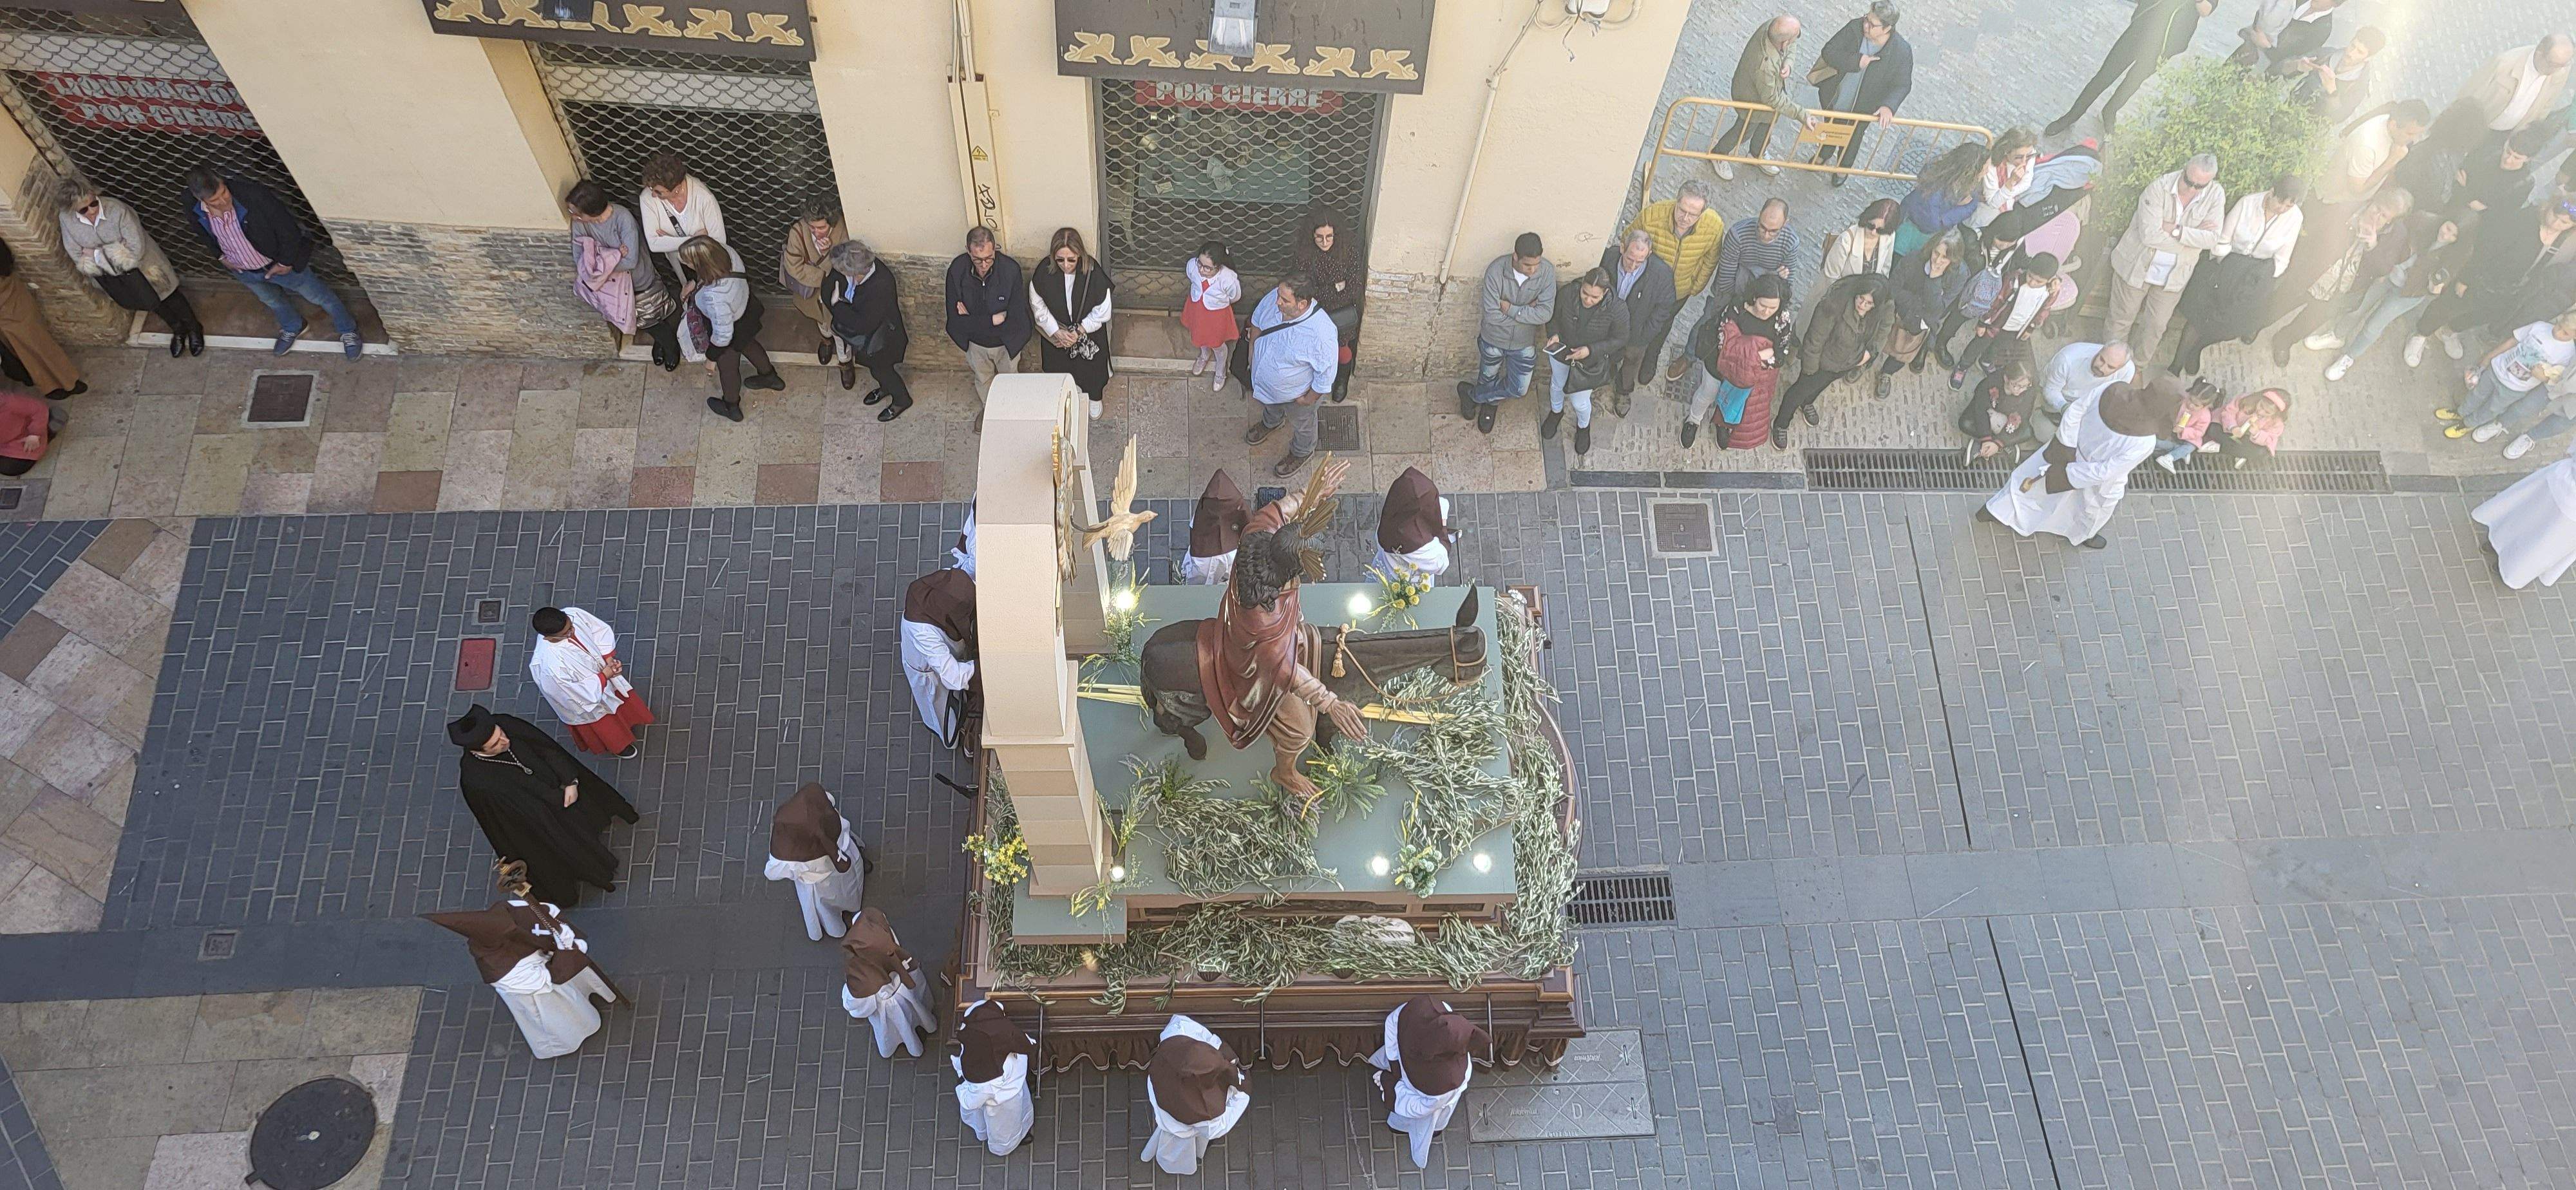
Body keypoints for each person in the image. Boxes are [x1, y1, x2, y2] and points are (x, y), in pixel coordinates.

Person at [1199, 457, 1372, 804]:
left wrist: (1311, 492)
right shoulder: (1264, 619)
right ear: (1290, 575)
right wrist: (1331, 703)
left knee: (1310, 639)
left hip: (1270, 638)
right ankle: (1285, 770)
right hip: (1251, 662)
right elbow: (1287, 671)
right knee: (1301, 730)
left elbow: (1282, 509)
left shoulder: (1259, 535)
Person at [446, 704, 638, 908]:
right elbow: (507, 820)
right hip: (543, 820)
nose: (505, 741)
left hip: (563, 790)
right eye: (495, 745)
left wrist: (571, 781)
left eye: (501, 734)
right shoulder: (476, 781)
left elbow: (547, 750)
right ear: (478, 750)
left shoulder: (505, 724)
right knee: (572, 847)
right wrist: (554, 804)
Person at [424, 873, 618, 1060]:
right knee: (560, 1017)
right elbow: (551, 979)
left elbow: (538, 914)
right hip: (540, 992)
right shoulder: (501, 971)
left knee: (574, 990)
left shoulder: (506, 914)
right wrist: (565, 947)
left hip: (551, 960)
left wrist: (554, 929)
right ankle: (571, 1036)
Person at [1977, 377, 2183, 549]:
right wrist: (2069, 474)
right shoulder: (2145, 441)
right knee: (2093, 509)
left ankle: (1995, 510)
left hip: (2068, 450)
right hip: (2091, 476)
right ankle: (2082, 535)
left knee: (2031, 484)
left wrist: (2065, 450)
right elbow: (2106, 471)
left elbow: (2075, 412)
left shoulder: (2113, 389)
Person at [182, 167, 357, 359]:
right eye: (215, 201)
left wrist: (286, 261)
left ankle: (348, 330)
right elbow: (202, 232)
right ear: (201, 200)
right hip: (244, 271)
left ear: (224, 183)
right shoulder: (191, 204)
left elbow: (288, 229)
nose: (224, 201)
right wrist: (221, 257)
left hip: (279, 266)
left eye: (224, 192)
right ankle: (293, 325)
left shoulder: (254, 196)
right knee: (271, 300)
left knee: (321, 297)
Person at [2407, 198, 2576, 365]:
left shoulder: (2563, 241)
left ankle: (2449, 331)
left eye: (2564, 223)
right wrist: (2466, 278)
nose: (2556, 223)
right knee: (2449, 305)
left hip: (2509, 290)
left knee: (2479, 316)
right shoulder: (2526, 219)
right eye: (2555, 215)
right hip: (2484, 278)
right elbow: (2488, 248)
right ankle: (2421, 334)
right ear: (2550, 207)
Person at [2262, 187, 2412, 366]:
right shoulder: (2349, 209)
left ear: (2391, 222)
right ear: (2373, 201)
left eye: (2384, 216)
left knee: (2308, 323)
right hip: (2312, 274)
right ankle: (2258, 324)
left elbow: (2383, 269)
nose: (2376, 216)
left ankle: (2283, 342)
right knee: (2280, 303)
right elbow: (2313, 234)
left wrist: (2372, 246)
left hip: (2338, 291)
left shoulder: (2397, 235)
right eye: (2376, 209)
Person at [2172, 175, 2306, 374]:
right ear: (2272, 193)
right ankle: (2177, 363)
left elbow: (2282, 259)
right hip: (2227, 264)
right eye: (2280, 203)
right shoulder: (2247, 204)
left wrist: (2261, 278)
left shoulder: (2295, 218)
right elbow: (2223, 240)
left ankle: (2198, 349)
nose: (2282, 210)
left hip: (2257, 275)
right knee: (2200, 317)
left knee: (2231, 326)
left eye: (2288, 207)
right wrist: (2229, 268)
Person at [2308, 211, 2465, 381]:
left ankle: (2349, 357)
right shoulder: (2424, 223)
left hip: (2409, 293)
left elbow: (2437, 288)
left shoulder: (2451, 259)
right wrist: (2386, 264)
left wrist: (2434, 288)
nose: (2446, 234)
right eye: (2448, 228)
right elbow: (2399, 238)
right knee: (2358, 307)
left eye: (2453, 235)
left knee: (2374, 326)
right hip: (2389, 275)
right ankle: (2337, 335)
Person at [55, 178, 198, 357]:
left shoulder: (117, 210)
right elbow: (75, 253)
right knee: (151, 302)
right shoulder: (67, 220)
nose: (92, 211)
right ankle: (178, 329)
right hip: (114, 276)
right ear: (72, 210)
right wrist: (115, 250)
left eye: (94, 203)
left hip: (144, 266)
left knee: (169, 295)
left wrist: (95, 255)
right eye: (84, 209)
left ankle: (194, 328)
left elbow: (135, 249)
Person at [2103, 154, 2225, 363]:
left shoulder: (2215, 195)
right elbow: (2150, 236)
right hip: (2136, 266)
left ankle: (2137, 367)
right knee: (2120, 320)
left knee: (2156, 327)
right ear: (2184, 169)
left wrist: (2175, 230)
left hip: (2174, 276)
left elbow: (2212, 240)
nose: (2192, 189)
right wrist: (2191, 240)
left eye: (2199, 186)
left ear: (2210, 182)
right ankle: (2109, 363)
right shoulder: (2158, 188)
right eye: (2189, 182)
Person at [2414, 37, 2575, 192]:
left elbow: (2547, 102)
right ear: (2540, 52)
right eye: (2554, 64)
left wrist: (2527, 132)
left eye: (2563, 64)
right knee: (2449, 156)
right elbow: (2469, 94)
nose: (2557, 70)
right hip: (2481, 125)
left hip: (2507, 134)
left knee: (2477, 165)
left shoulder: (2560, 70)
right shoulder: (2504, 64)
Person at [1671, 196, 1797, 381]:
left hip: (1762, 297)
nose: (1766, 234)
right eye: (1762, 227)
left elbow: (1787, 283)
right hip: (1732, 290)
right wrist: (1736, 306)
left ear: (1785, 224)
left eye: (1773, 231)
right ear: (1759, 215)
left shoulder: (1790, 243)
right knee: (1708, 322)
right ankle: (1690, 356)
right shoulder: (1739, 233)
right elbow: (1726, 274)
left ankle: (1730, 364)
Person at [2047, 0, 2217, 135]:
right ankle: (2072, 116)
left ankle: (2110, 111)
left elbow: (2206, 10)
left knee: (2133, 82)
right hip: (2141, 29)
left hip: (2165, 44)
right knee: (2106, 75)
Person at [565, 180, 680, 370]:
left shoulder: (622, 219)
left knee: (651, 319)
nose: (573, 216)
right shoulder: (580, 224)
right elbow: (581, 262)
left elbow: (631, 261)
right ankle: (663, 341)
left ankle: (670, 347)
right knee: (642, 321)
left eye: (576, 212)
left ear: (592, 212)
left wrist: (598, 262)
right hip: (614, 290)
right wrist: (614, 255)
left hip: (639, 281)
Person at [1368, 995, 1491, 1170]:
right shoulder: (1431, 1010)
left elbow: (1421, 1108)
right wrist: (1395, 1067)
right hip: (1412, 1084)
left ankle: (1417, 1129)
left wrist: (1391, 1084)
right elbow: (1393, 1022)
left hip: (1427, 1101)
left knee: (1428, 1122)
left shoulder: (1448, 1081)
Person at [1773, 272, 1890, 448]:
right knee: (1799, 391)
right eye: (1861, 299)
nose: (1863, 306)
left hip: (1846, 363)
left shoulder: (1883, 307)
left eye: (1869, 303)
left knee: (1820, 386)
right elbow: (1816, 338)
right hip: (1821, 362)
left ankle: (1807, 403)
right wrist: (1810, 368)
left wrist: (1870, 353)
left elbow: (1884, 328)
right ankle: (1781, 423)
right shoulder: (1834, 305)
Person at [1457, 232, 1556, 434]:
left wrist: (1511, 309)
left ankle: (1472, 395)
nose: (1533, 270)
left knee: (1520, 389)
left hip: (1523, 343)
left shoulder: (1546, 272)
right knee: (1487, 377)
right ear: (1515, 257)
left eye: (1536, 264)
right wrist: (1528, 311)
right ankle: (1489, 405)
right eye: (1528, 265)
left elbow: (1545, 314)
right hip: (1493, 338)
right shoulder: (1496, 271)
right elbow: (1492, 316)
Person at [1242, 274, 1340, 476]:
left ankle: (1302, 452)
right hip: (1267, 385)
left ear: (1302, 304)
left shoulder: (1322, 334)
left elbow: (1325, 376)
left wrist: (1307, 400)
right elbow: (1258, 321)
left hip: (1297, 396)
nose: (1277, 301)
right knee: (1270, 404)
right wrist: (1252, 353)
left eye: (1285, 300)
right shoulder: (1275, 299)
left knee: (1303, 425)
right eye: (1279, 295)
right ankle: (1272, 422)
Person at [1806, 1, 1915, 185]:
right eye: (1867, 19)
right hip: (1836, 97)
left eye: (1872, 24)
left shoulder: (1901, 51)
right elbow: (1829, 51)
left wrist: (1888, 106)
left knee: (1854, 137)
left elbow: (1902, 84)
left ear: (1887, 28)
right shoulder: (1855, 28)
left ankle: (1844, 168)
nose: (1866, 25)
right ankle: (1824, 154)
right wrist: (1857, 61)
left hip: (1864, 109)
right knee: (1831, 126)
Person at [528, 605, 655, 760]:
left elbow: (597, 631)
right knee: (606, 725)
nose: (573, 632)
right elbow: (573, 694)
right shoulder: (550, 666)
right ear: (549, 638)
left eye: (571, 626)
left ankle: (627, 726)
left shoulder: (573, 614)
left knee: (620, 705)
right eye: (567, 633)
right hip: (588, 700)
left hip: (603, 676)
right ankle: (619, 746)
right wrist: (603, 676)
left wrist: (608, 659)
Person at [678, 236, 784, 422]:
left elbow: (723, 336)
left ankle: (732, 406)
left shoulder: (715, 297)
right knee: (750, 345)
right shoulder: (727, 253)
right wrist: (697, 283)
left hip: (729, 326)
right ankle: (771, 377)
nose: (686, 264)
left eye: (689, 263)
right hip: (744, 312)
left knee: (728, 369)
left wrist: (711, 358)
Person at [1683, 274, 1792, 448]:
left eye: (1773, 308)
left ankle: (1723, 425)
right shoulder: (1738, 307)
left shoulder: (1782, 318)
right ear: (1755, 298)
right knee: (1708, 393)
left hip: (1745, 373)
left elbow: (1780, 355)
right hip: (1719, 363)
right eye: (1763, 305)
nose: (1766, 312)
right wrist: (1758, 354)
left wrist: (1747, 355)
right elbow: (1724, 342)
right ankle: (1693, 421)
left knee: (1732, 402)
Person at [2445, 310, 2576, 455]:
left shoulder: (2568, 354)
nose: (2558, 333)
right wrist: (2488, 358)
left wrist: (2542, 377)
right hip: (2497, 369)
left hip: (2516, 388)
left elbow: (2555, 378)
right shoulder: (2540, 327)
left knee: (2492, 408)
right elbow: (2513, 341)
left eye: (2565, 333)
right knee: (2477, 394)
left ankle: (2468, 424)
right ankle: (2461, 412)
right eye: (2558, 326)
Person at [1141, 1015, 1250, 1175]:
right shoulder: (1210, 1113)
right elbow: (1219, 1126)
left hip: (1160, 1097)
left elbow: (1186, 1026)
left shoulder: (1175, 1036)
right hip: (1187, 1124)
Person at [945, 227, 1031, 428]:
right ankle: (990, 410)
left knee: (1010, 379)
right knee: (983, 380)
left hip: (1006, 342)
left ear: (995, 250)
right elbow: (955, 320)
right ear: (969, 251)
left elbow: (1016, 315)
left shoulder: (1010, 270)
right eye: (978, 260)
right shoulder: (957, 271)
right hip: (975, 344)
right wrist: (991, 321)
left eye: (989, 258)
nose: (984, 265)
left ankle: (1011, 412)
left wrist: (972, 321)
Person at [2471, 428, 2576, 588]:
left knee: (2547, 538)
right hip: (2563, 481)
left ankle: (2514, 569)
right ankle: (2500, 542)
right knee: (2529, 513)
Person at [1540, 267, 1629, 456]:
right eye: (1585, 294)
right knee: (1557, 384)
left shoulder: (1617, 308)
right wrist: (1554, 334)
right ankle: (1556, 413)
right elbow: (1553, 318)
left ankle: (1583, 427)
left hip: (1589, 363)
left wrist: (1590, 350)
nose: (1588, 300)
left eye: (1594, 298)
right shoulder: (1567, 294)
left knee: (1580, 402)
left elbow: (1620, 339)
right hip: (1562, 353)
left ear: (1605, 293)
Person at [765, 782, 868, 941]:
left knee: (836, 900)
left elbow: (772, 872)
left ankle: (842, 921)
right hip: (834, 870)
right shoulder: (819, 803)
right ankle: (846, 915)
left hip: (831, 873)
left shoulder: (789, 856)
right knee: (842, 894)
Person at [1710, 15, 1809, 180]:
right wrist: (1801, 114)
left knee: (1767, 125)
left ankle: (1757, 154)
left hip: (1762, 93)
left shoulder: (1772, 27)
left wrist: (1788, 63)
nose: (1797, 39)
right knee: (1744, 131)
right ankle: (1718, 154)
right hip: (1752, 100)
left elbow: (1791, 45)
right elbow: (1772, 99)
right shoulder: (1765, 66)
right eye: (1796, 35)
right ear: (1784, 43)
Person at [1948, 251, 2063, 389]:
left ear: (2049, 280)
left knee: (1999, 347)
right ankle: (1963, 366)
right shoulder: (2013, 281)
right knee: (1978, 344)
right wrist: (1983, 322)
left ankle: (1986, 361)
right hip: (1996, 324)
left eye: (2039, 281)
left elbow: (2045, 310)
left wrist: (2031, 327)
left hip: (2017, 329)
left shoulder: (2050, 291)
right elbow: (1996, 302)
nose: (2032, 282)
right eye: (2030, 277)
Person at [1030, 227, 1113, 416]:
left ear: (1079, 255)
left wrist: (1079, 331)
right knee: (1060, 368)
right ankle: (1070, 393)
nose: (1066, 265)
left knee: (1092, 371)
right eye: (1060, 260)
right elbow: (1038, 304)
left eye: (1071, 259)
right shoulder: (1044, 272)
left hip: (1087, 335)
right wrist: (1056, 331)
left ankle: (1094, 397)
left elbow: (1103, 310)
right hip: (1058, 335)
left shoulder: (1093, 272)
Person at [825, 240, 913, 417]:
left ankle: (902, 400)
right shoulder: (854, 264)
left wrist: (837, 306)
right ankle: (885, 389)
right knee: (876, 370)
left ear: (857, 272)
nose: (840, 274)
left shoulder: (881, 285)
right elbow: (829, 284)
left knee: (883, 370)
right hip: (871, 338)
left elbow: (863, 324)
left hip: (884, 340)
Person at [1879, 231, 1966, 396]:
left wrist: (1934, 280)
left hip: (1920, 322)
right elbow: (1894, 288)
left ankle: (1887, 373)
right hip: (1897, 309)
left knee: (1903, 351)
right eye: (1936, 253)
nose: (1937, 260)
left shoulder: (1958, 277)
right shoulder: (1913, 259)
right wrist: (1918, 304)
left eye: (1944, 258)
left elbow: (1937, 309)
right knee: (1879, 337)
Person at [840, 908, 935, 1059]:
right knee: (918, 1009)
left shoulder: (863, 977)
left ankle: (912, 1046)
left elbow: (855, 1005)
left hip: (887, 1006)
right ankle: (927, 1025)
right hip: (905, 984)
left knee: (901, 1029)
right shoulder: (882, 936)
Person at [900, 566, 977, 748]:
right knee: (940, 708)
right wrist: (981, 668)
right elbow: (952, 677)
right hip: (927, 671)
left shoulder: (952, 586)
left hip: (939, 657)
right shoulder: (923, 633)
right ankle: (950, 734)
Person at [1598, 229, 1676, 403]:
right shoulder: (1608, 258)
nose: (1632, 266)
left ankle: (1624, 391)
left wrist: (1644, 335)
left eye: (1640, 261)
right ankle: (1606, 372)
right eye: (1630, 259)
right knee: (1606, 353)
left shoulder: (1662, 275)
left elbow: (1664, 309)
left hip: (1636, 333)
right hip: (1608, 326)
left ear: (1649, 254)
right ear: (1622, 248)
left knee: (1632, 362)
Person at [954, 999, 1037, 1155]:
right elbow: (971, 1102)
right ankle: (1005, 1145)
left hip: (1008, 1088)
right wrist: (962, 1090)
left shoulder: (974, 1036)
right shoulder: (987, 1078)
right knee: (1006, 1127)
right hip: (1002, 1104)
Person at [0, 243, 80, 400]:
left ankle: (61, 383)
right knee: (34, 349)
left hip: (12, 305)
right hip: (13, 304)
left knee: (33, 349)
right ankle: (62, 383)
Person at [2316, 102, 2429, 207]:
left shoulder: (2392, 128)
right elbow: (2357, 190)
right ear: (2393, 125)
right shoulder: (2367, 146)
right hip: (2333, 201)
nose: (2414, 140)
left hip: (2351, 202)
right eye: (2410, 134)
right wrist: (2392, 161)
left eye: (2418, 134)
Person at [637, 150, 724, 278]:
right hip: (683, 271)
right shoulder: (647, 199)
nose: (653, 195)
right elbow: (654, 244)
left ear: (677, 190)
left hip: (710, 271)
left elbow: (719, 245)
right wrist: (694, 239)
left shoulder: (704, 198)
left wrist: (671, 241)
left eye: (659, 192)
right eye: (651, 188)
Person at [778, 198, 847, 361]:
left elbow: (846, 264)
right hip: (813, 293)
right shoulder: (798, 232)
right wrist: (823, 277)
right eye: (812, 227)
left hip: (836, 293)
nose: (816, 232)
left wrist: (827, 253)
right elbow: (794, 266)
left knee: (840, 328)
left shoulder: (842, 229)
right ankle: (826, 340)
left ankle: (845, 361)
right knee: (820, 319)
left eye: (822, 228)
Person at [1894, 144, 1989, 259]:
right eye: (1985, 168)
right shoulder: (1969, 199)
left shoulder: (1935, 170)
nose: (1987, 171)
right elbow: (1937, 222)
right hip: (1916, 231)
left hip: (1911, 221)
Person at [2282, 28, 2387, 126]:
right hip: (2288, 105)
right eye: (2353, 46)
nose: (2351, 53)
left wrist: (2332, 91)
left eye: (2360, 52)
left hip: (2309, 126)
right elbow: (2280, 69)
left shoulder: (2358, 87)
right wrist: (2296, 66)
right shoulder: (2327, 55)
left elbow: (2337, 119)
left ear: (2368, 58)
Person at [1371, 466, 1454, 583]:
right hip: (1414, 587)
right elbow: (1441, 564)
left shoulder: (1390, 518)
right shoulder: (1425, 549)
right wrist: (1443, 523)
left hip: (1382, 572)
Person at [1180, 240, 1242, 390]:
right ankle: (1204, 354)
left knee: (1217, 344)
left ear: (1219, 267)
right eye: (1200, 264)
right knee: (1199, 334)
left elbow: (1235, 296)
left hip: (1216, 316)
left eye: (1207, 268)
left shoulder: (1228, 279)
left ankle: (1221, 369)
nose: (1201, 270)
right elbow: (1192, 275)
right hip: (1197, 309)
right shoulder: (1192, 266)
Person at [1956, 359, 2038, 462]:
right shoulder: (1991, 382)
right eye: (2016, 385)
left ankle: (1987, 446)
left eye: (2024, 387)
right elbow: (1980, 410)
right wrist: (1986, 438)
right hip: (1989, 416)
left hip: (2008, 421)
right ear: (2006, 379)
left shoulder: (2029, 392)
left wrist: (1998, 443)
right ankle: (2002, 445)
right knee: (1965, 423)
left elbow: (2022, 416)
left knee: (2027, 432)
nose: (2020, 390)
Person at [2036, 340, 2136, 424]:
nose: (2101, 368)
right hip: (2061, 399)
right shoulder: (2067, 359)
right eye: (2101, 359)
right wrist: (2065, 408)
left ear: (2120, 368)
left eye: (2110, 367)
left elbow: (2114, 396)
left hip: (2089, 405)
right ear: (2100, 350)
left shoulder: (2128, 370)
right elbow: (2051, 390)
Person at [2228, 0, 2338, 71]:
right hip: (2249, 43)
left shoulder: (2323, 30)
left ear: (2336, 4)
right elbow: (2265, 10)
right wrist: (2258, 30)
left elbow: (2293, 58)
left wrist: (2266, 46)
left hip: (2267, 67)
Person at [1179, 470, 1247, 586]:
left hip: (1204, 555)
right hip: (1231, 553)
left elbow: (1194, 528)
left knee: (1200, 576)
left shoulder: (1204, 509)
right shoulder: (1239, 505)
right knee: (1229, 573)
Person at [2202, 386, 2293, 469]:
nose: (2261, 411)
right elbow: (2228, 412)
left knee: (2262, 452)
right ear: (2260, 398)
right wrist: (2233, 427)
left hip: (2247, 441)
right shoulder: (2246, 399)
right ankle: (2240, 453)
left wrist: (2257, 434)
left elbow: (2270, 439)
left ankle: (2220, 447)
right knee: (2212, 429)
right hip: (2228, 431)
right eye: (2261, 406)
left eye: (2267, 412)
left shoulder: (2277, 423)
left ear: (2276, 414)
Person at [1968, 130, 2041, 232]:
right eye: (2019, 157)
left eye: (2028, 156)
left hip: (2009, 199)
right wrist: (2010, 182)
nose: (2024, 162)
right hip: (1983, 202)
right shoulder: (1992, 166)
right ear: (2006, 152)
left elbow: (2026, 183)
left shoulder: (2028, 153)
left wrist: (2008, 194)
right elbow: (1993, 203)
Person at [1820, 198, 1901, 284]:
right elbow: (1831, 278)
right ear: (1867, 219)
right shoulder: (1846, 241)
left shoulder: (1889, 236)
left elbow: (1884, 271)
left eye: (1880, 231)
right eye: (1871, 226)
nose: (1873, 232)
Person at [2152, 377, 2222, 471]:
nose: (2191, 405)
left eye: (2196, 405)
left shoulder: (2205, 416)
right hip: (2171, 431)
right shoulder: (2182, 401)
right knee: (2159, 441)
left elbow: (2199, 432)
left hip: (2188, 438)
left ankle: (2170, 458)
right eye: (2190, 400)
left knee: (2192, 446)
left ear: (2205, 406)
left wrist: (2184, 431)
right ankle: (2178, 451)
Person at [0, 389, 64, 477]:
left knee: (10, 468)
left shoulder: (9, 402)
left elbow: (39, 409)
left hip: (25, 438)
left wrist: (35, 434)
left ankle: (49, 429)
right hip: (4, 445)